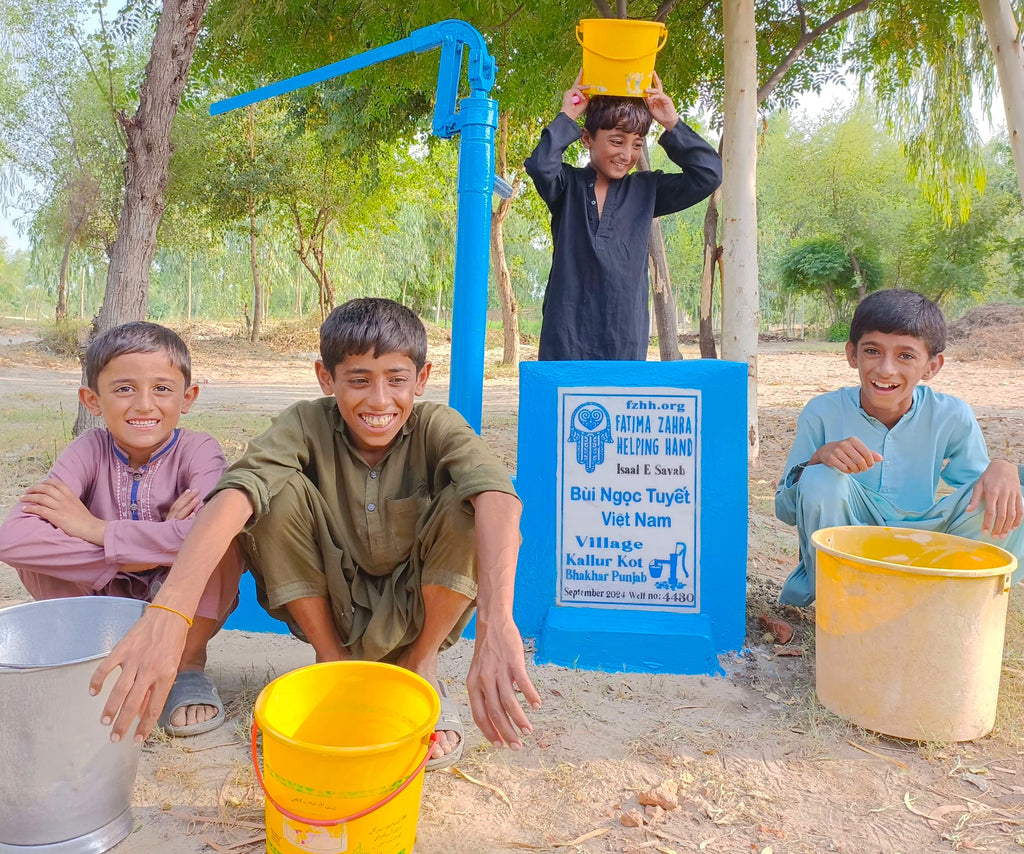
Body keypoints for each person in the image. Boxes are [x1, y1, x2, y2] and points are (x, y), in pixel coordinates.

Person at [89, 298, 540, 770]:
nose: (380, 400)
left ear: (421, 380)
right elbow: (235, 495)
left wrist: (495, 622)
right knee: (266, 494)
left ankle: (418, 668)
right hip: (331, 605)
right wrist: (169, 612)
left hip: (416, 612)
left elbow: (500, 497)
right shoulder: (305, 423)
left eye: (396, 380)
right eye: (359, 380)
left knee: (475, 503)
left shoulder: (437, 426)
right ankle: (332, 663)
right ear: (327, 379)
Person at [0, 321, 243, 736]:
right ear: (92, 400)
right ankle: (100, 660)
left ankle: (185, 666)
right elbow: (14, 538)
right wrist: (145, 547)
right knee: (38, 561)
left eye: (162, 389)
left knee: (222, 544)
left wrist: (95, 529)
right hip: (101, 598)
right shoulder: (88, 450)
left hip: (176, 598)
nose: (144, 405)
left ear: (189, 397)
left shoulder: (198, 450)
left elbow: (204, 534)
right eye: (125, 389)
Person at [775, 289, 1024, 606]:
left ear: (932, 366)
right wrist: (817, 460)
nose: (886, 370)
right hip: (850, 549)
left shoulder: (952, 415)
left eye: (905, 356)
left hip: (925, 545)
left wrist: (1002, 468)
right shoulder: (822, 412)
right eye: (872, 351)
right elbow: (785, 510)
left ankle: (953, 605)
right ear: (852, 354)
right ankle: (843, 606)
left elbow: (977, 495)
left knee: (1008, 497)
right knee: (822, 478)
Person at [524, 69, 722, 361]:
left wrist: (672, 123)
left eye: (637, 144)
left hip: (624, 341)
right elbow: (540, 166)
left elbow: (709, 174)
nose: (626, 154)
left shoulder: (648, 189)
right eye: (616, 141)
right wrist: (568, 115)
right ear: (587, 138)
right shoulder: (567, 186)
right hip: (564, 338)